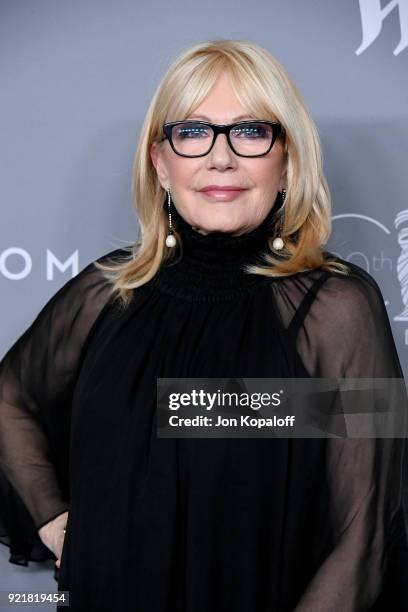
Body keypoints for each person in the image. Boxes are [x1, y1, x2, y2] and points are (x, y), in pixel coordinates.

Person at [0, 38, 407, 612]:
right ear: (159, 163)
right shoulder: (105, 294)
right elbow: (8, 397)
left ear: (288, 160)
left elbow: (364, 538)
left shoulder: (339, 309)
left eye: (250, 130)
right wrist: (56, 519)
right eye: (192, 132)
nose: (221, 157)